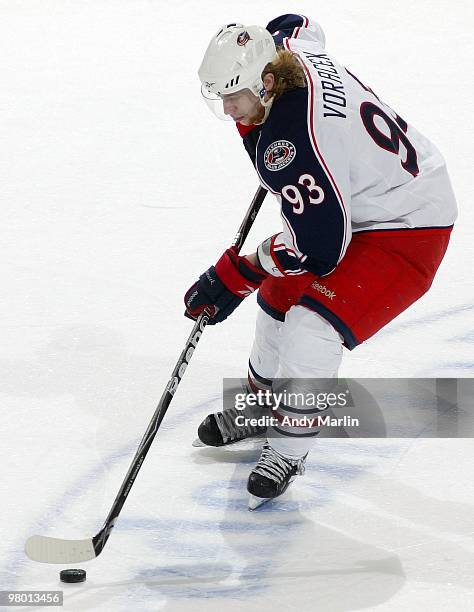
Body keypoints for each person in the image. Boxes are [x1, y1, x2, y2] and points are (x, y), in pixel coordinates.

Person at [184, 14, 457, 509]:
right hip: (362, 201)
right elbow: (299, 23)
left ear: (268, 85)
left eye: (235, 96)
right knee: (276, 300)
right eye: (218, 96)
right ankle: (262, 409)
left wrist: (239, 272)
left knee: (312, 325)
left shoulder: (290, 146)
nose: (228, 109)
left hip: (411, 225)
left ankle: (289, 448)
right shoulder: (288, 52)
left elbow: (320, 249)